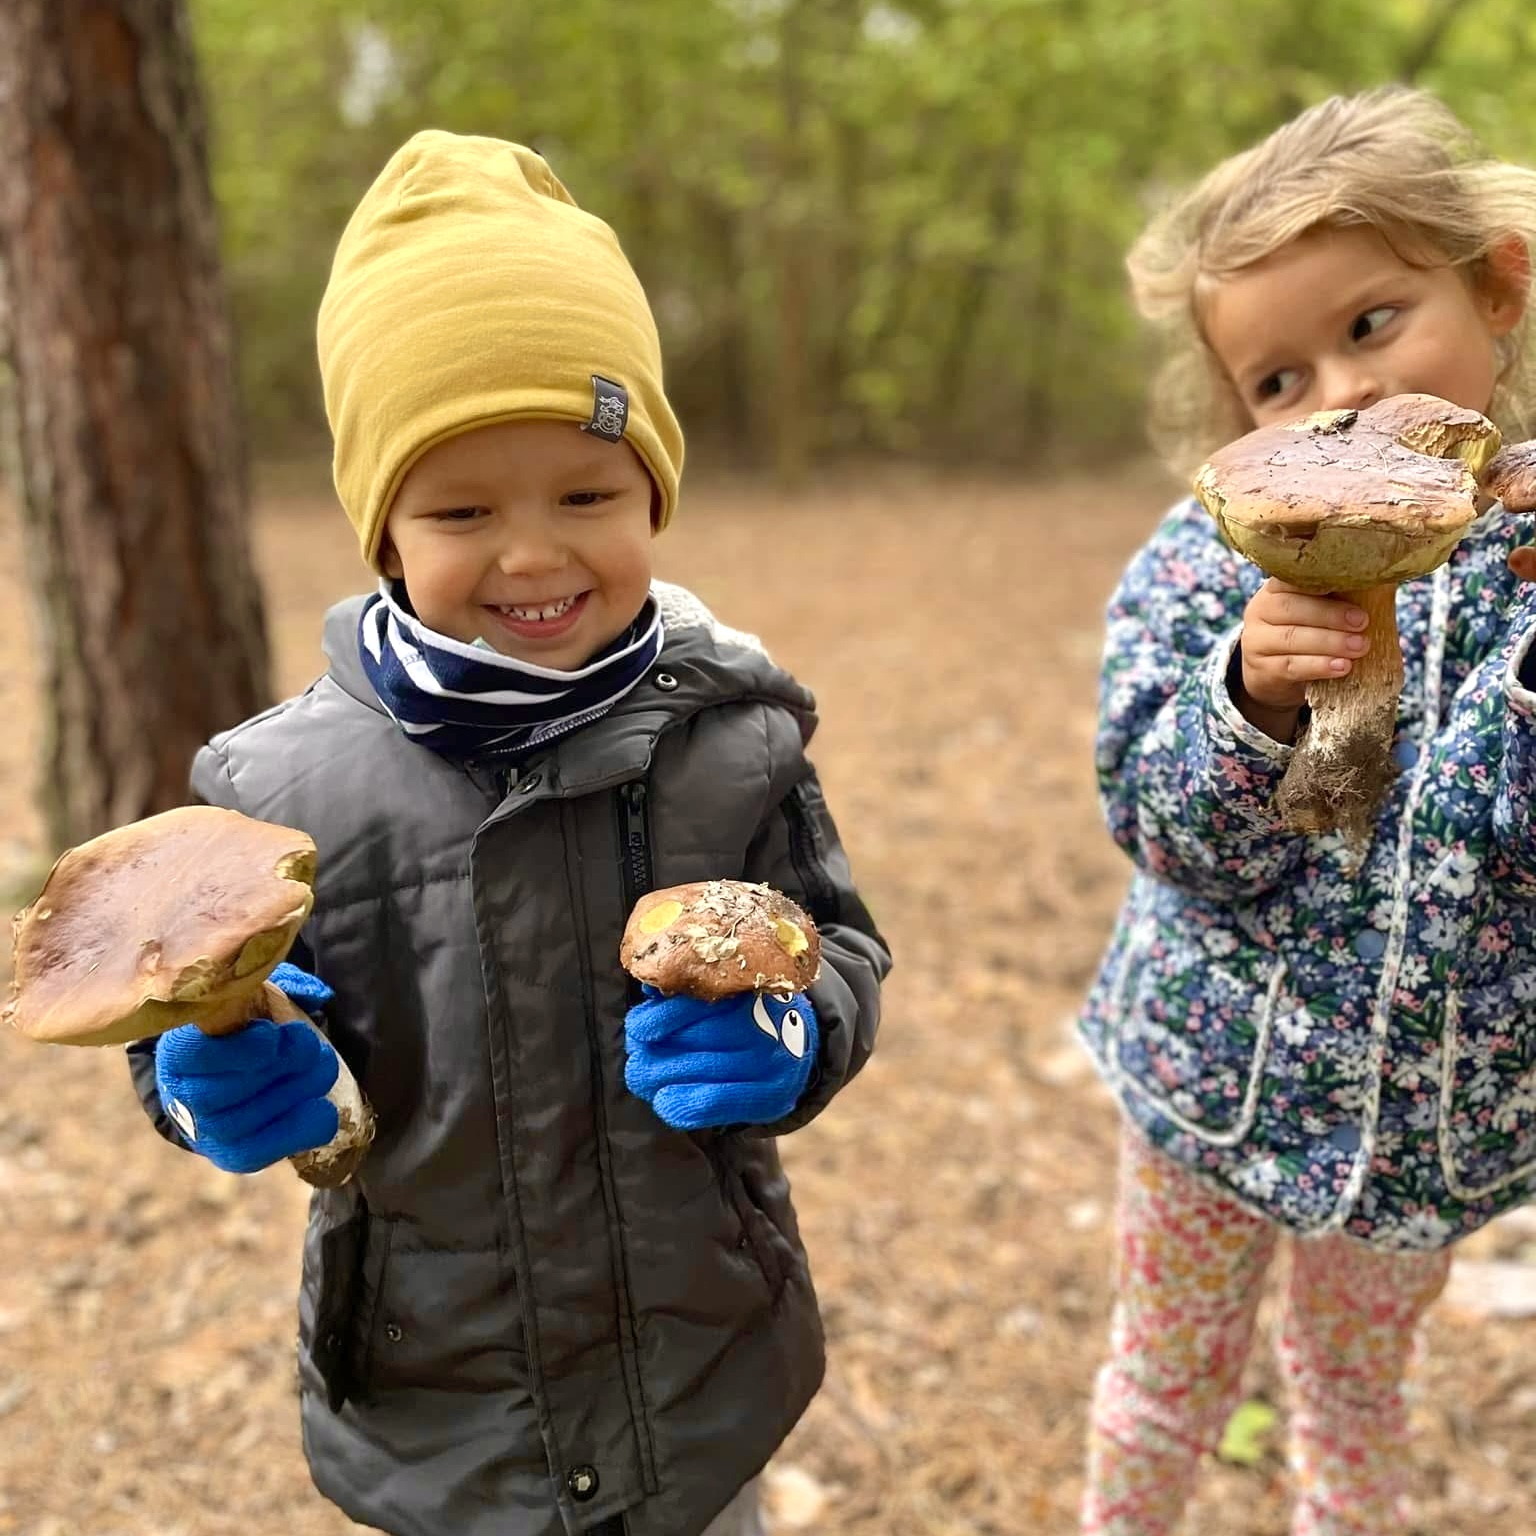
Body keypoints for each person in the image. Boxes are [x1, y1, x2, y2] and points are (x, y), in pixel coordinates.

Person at [125, 130, 889, 1536]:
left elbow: (840, 948)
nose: (533, 555)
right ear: (385, 533)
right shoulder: (279, 787)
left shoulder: (736, 733)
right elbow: (183, 1014)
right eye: (464, 509)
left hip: (695, 1375)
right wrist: (204, 1076)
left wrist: (797, 1034)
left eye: (586, 497)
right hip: (440, 1404)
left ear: (652, 491)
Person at [1077, 85, 1536, 1535]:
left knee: (1352, 1393)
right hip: (1216, 1079)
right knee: (1165, 1373)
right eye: (1275, 381)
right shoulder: (1212, 562)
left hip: (1429, 1106)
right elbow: (1152, 815)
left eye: (1371, 324)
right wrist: (1249, 703)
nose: (1331, 394)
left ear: (1498, 287)